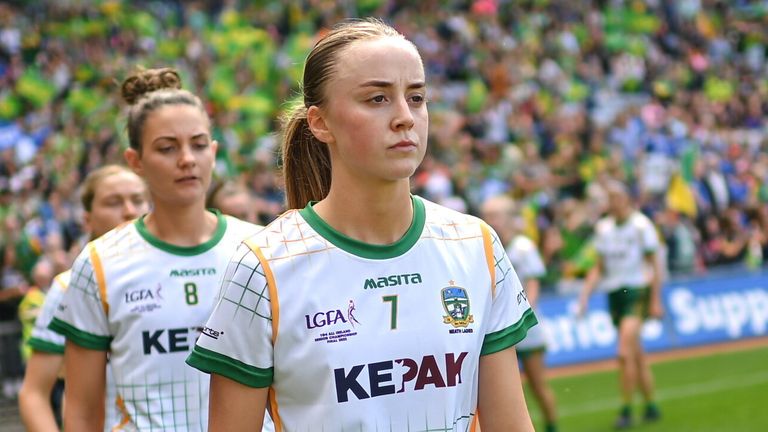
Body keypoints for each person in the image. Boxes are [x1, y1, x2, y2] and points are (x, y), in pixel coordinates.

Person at [187, 18, 538, 431]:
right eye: (377, 99)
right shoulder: (262, 267)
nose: (405, 117)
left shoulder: (475, 243)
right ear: (320, 123)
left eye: (417, 97)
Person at [49, 67, 263, 431]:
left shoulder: (258, 249)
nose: (186, 159)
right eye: (167, 148)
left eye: (198, 145)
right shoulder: (100, 262)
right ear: (135, 161)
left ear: (213, 152)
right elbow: (82, 413)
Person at [18, 165, 149, 431]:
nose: (129, 211)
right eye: (114, 202)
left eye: (138, 200)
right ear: (87, 220)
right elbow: (33, 394)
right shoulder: (70, 286)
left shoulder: (182, 270)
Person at [577, 180, 663, 429]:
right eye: (609, 198)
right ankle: (651, 406)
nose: (612, 202)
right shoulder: (603, 228)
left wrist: (655, 299)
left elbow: (654, 264)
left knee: (624, 352)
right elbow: (599, 267)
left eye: (616, 197)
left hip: (636, 291)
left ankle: (626, 409)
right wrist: (585, 295)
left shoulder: (640, 226)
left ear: (626, 199)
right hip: (615, 293)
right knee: (636, 355)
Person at [481, 194, 559, 432]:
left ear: (508, 218)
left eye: (494, 215)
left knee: (537, 384)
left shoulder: (523, 247)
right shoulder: (484, 246)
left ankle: (552, 425)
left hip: (526, 329)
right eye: (487, 215)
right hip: (497, 330)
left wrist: (521, 311)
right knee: (501, 389)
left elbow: (533, 284)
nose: (489, 220)